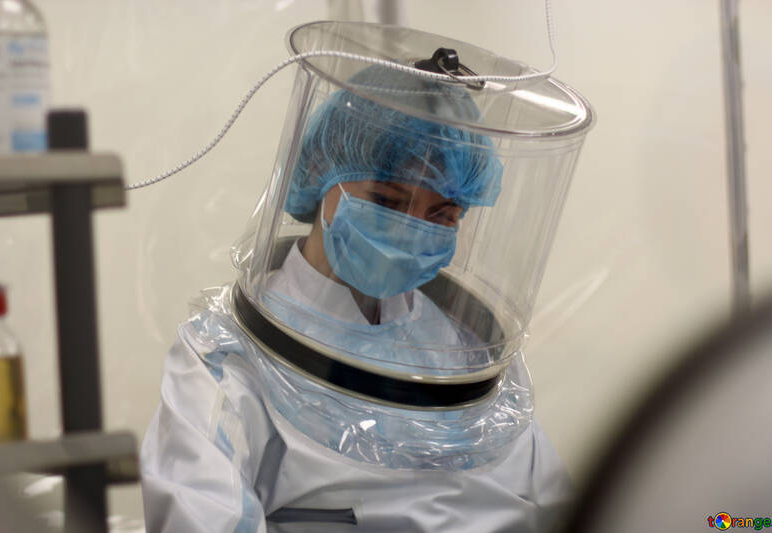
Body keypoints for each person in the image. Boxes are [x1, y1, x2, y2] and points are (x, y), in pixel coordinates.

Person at [141, 66, 574, 532]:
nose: (412, 229)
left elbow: (560, 504)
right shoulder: (225, 363)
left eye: (443, 213)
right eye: (387, 201)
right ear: (318, 171)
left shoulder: (462, 350)